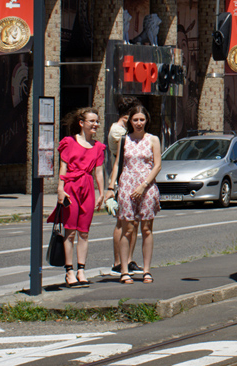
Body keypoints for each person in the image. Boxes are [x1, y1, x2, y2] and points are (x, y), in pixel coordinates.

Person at [50, 108, 106, 287]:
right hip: (71, 186)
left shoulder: (98, 147)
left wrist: (101, 193)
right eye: (92, 121)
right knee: (70, 230)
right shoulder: (69, 142)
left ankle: (82, 270)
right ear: (82, 123)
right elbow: (63, 167)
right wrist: (60, 189)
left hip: (87, 187)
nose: (95, 124)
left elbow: (98, 171)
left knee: (84, 231)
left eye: (97, 121)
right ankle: (69, 271)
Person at [108, 104, 162, 283]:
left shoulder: (153, 139)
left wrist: (144, 185)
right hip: (127, 186)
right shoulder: (124, 140)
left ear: (147, 120)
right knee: (127, 229)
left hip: (146, 187)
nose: (139, 123)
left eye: (142, 119)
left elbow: (157, 165)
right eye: (135, 120)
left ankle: (147, 270)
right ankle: (124, 270)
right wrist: (111, 187)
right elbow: (118, 164)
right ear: (130, 121)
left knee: (146, 229)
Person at [106, 100, 137, 279]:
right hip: (122, 179)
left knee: (133, 222)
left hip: (132, 178)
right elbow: (123, 156)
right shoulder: (118, 132)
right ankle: (118, 261)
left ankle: (129, 259)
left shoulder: (124, 131)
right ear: (126, 117)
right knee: (122, 221)